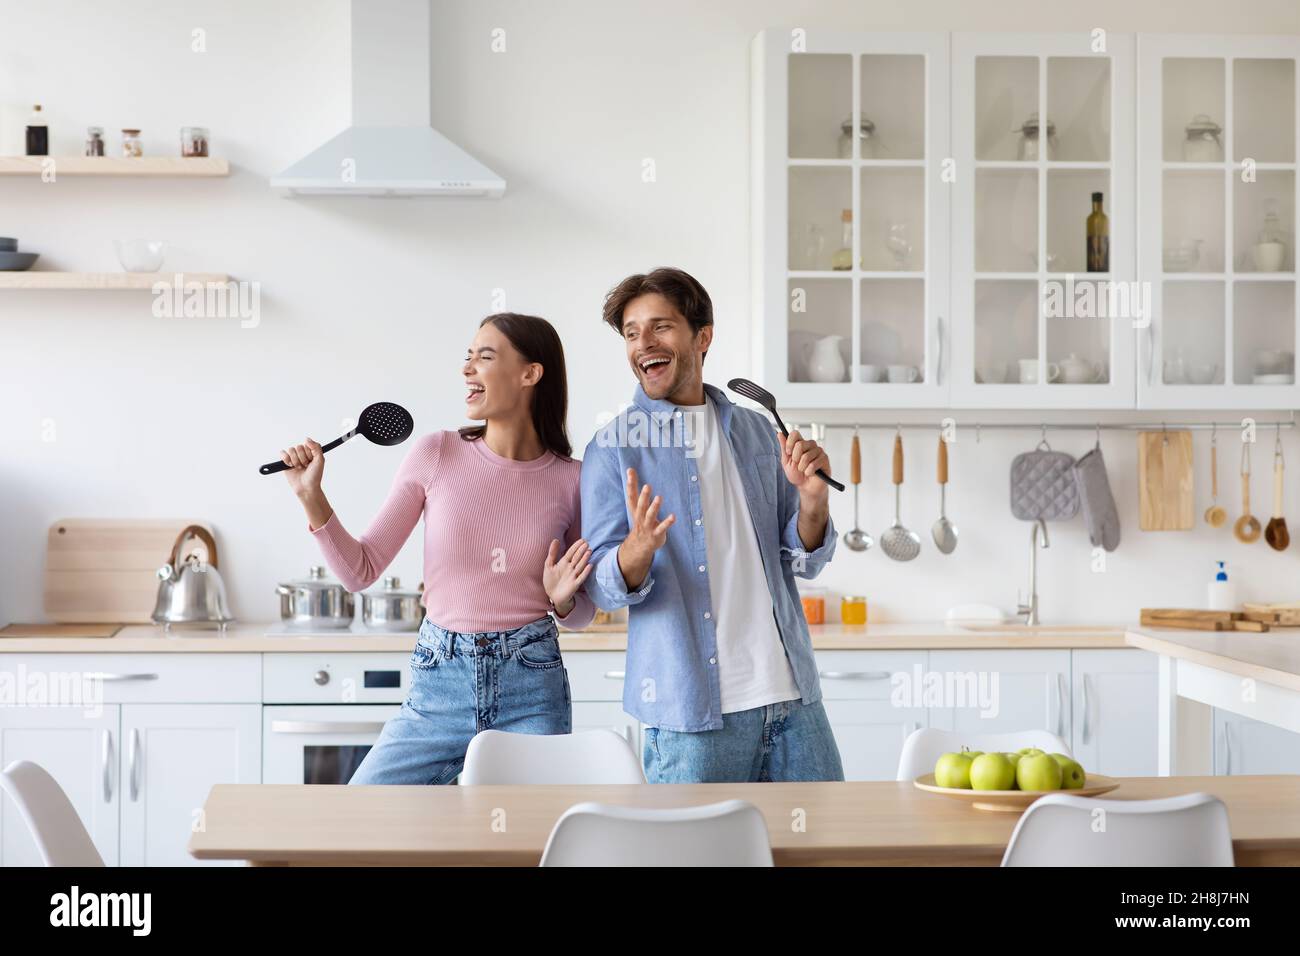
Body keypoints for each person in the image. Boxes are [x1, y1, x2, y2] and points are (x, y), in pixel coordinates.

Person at [277, 313, 595, 785]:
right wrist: (310, 495)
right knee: (365, 813)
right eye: (466, 358)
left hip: (531, 685)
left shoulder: (573, 479)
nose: (467, 370)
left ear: (530, 373)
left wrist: (564, 598)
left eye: (484, 357)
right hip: (438, 686)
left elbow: (583, 612)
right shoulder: (436, 453)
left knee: (522, 846)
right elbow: (360, 571)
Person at [580, 267, 844, 783]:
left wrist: (814, 501)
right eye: (632, 333)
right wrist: (637, 549)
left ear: (702, 337)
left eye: (661, 327)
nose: (643, 344)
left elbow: (801, 557)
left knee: (828, 854)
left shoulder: (756, 432)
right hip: (692, 718)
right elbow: (602, 586)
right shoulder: (614, 447)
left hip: (794, 701)